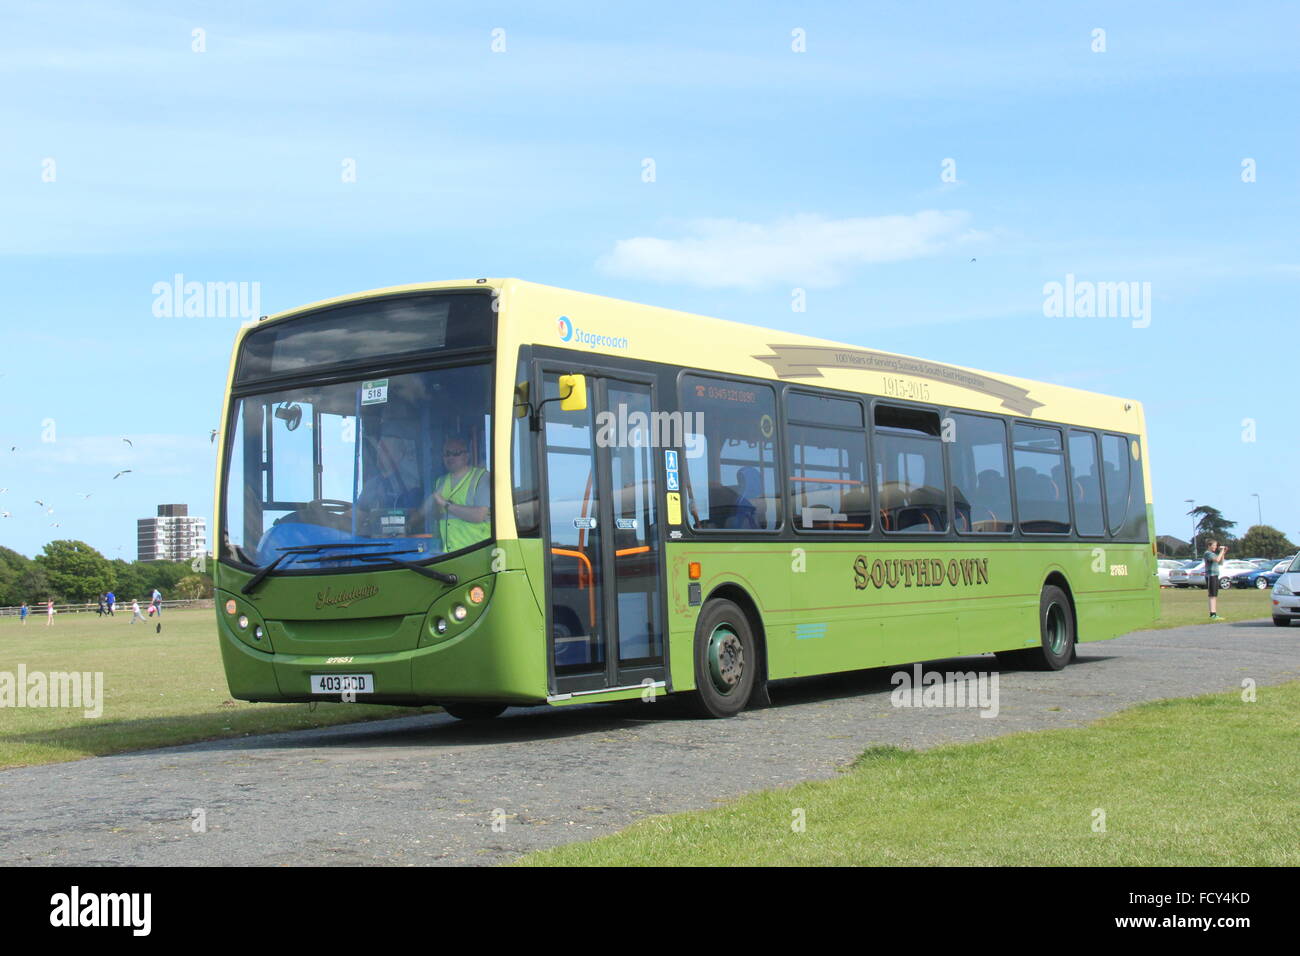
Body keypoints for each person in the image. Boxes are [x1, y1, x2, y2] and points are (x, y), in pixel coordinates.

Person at [430, 435, 491, 551]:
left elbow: (479, 516)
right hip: (448, 553)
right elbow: (437, 517)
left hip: (476, 552)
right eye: (447, 454)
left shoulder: (481, 477)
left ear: (467, 456)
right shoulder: (440, 481)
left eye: (456, 453)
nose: (450, 457)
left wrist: (446, 504)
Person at [1204, 538, 1228, 620]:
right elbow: (1217, 560)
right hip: (1210, 576)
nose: (1215, 547)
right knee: (1212, 595)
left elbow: (1221, 562)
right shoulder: (1207, 553)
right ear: (1209, 546)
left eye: (1216, 545)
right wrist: (1221, 551)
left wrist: (1223, 552)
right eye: (1214, 545)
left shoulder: (1213, 554)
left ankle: (1214, 613)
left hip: (1215, 575)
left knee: (1214, 595)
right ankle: (1212, 614)